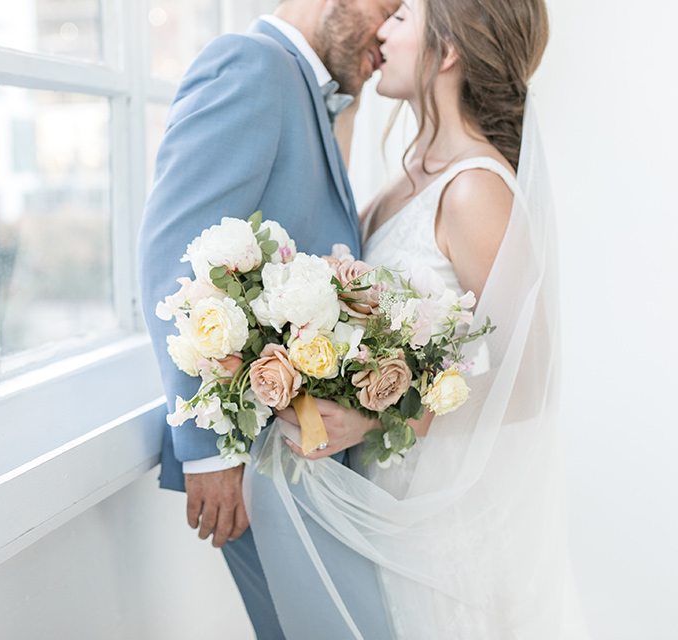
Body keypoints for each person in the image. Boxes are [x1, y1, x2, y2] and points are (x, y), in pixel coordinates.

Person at [249, 0, 592, 637]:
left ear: (450, 49)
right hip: (388, 499)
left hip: (445, 521)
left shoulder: (474, 189)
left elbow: (530, 376)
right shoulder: (401, 179)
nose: (381, 28)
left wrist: (382, 411)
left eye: (401, 17)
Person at [138, 0, 400, 637]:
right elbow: (175, 256)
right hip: (255, 458)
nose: (390, 32)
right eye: (389, 6)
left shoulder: (309, 92)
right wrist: (209, 453)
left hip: (301, 459)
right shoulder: (251, 65)